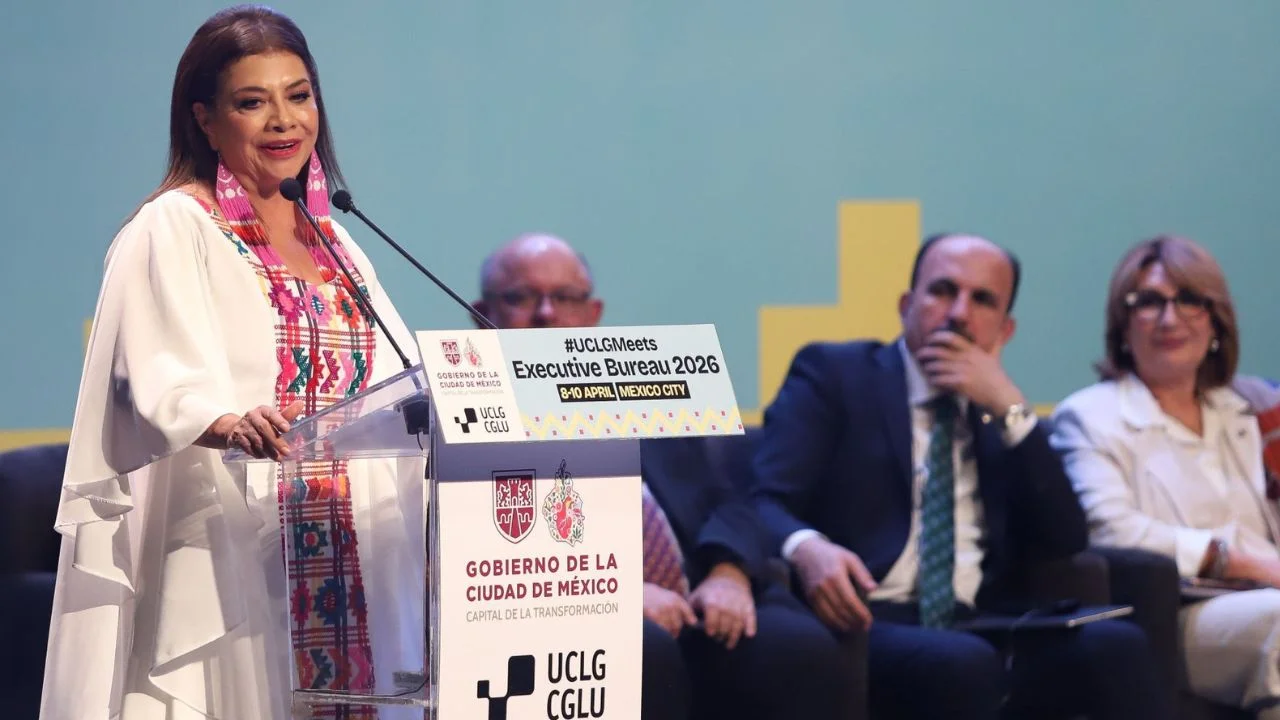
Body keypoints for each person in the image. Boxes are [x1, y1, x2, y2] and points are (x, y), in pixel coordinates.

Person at [42, 7, 424, 719]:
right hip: (231, 548)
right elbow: (149, 372)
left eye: (298, 95)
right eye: (252, 102)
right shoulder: (174, 225)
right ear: (206, 121)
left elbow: (399, 385)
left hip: (350, 548)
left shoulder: (336, 239)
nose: (284, 121)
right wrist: (224, 421)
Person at [752, 232, 1171, 719]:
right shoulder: (836, 375)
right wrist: (807, 547)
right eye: (942, 291)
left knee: (1115, 645)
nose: (958, 313)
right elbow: (762, 499)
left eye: (982, 300)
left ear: (1004, 330)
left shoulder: (997, 414)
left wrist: (1012, 411)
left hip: (980, 620)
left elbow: (1064, 539)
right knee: (962, 663)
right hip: (870, 620)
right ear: (906, 305)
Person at [475, 233, 859, 720]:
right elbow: (490, 546)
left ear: (593, 313)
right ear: (481, 315)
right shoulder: (468, 416)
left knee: (799, 650)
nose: (547, 314)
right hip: (567, 602)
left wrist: (728, 575)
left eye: (566, 297)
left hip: (702, 588)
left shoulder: (644, 385)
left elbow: (732, 498)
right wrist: (614, 593)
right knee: (644, 650)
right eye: (522, 297)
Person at [1051, 235, 1280, 717]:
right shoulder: (1090, 417)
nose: (1170, 318)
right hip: (1182, 614)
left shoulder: (1250, 407)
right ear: (1123, 325)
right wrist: (1234, 559)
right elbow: (1110, 531)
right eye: (1149, 301)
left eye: (1189, 300)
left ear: (1215, 321)